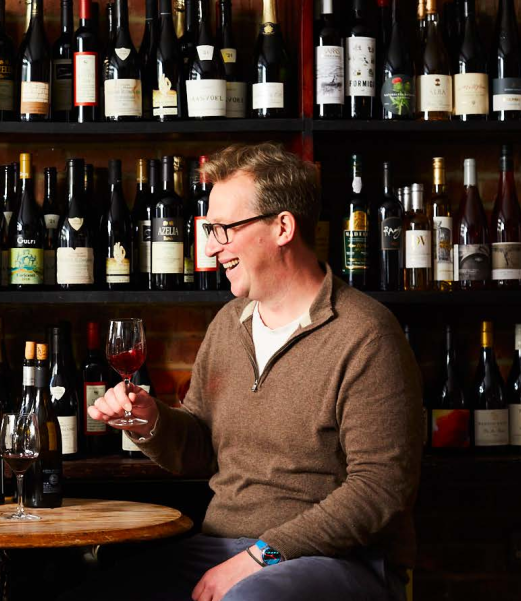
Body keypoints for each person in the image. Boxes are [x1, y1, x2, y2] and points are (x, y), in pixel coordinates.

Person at [80, 144, 422, 601]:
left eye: (224, 229)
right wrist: (152, 422)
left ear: (282, 227)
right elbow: (200, 451)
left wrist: (260, 556)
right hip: (220, 545)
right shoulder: (229, 324)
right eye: (209, 229)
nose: (210, 246)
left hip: (335, 560)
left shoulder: (366, 334)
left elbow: (379, 488)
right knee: (87, 589)